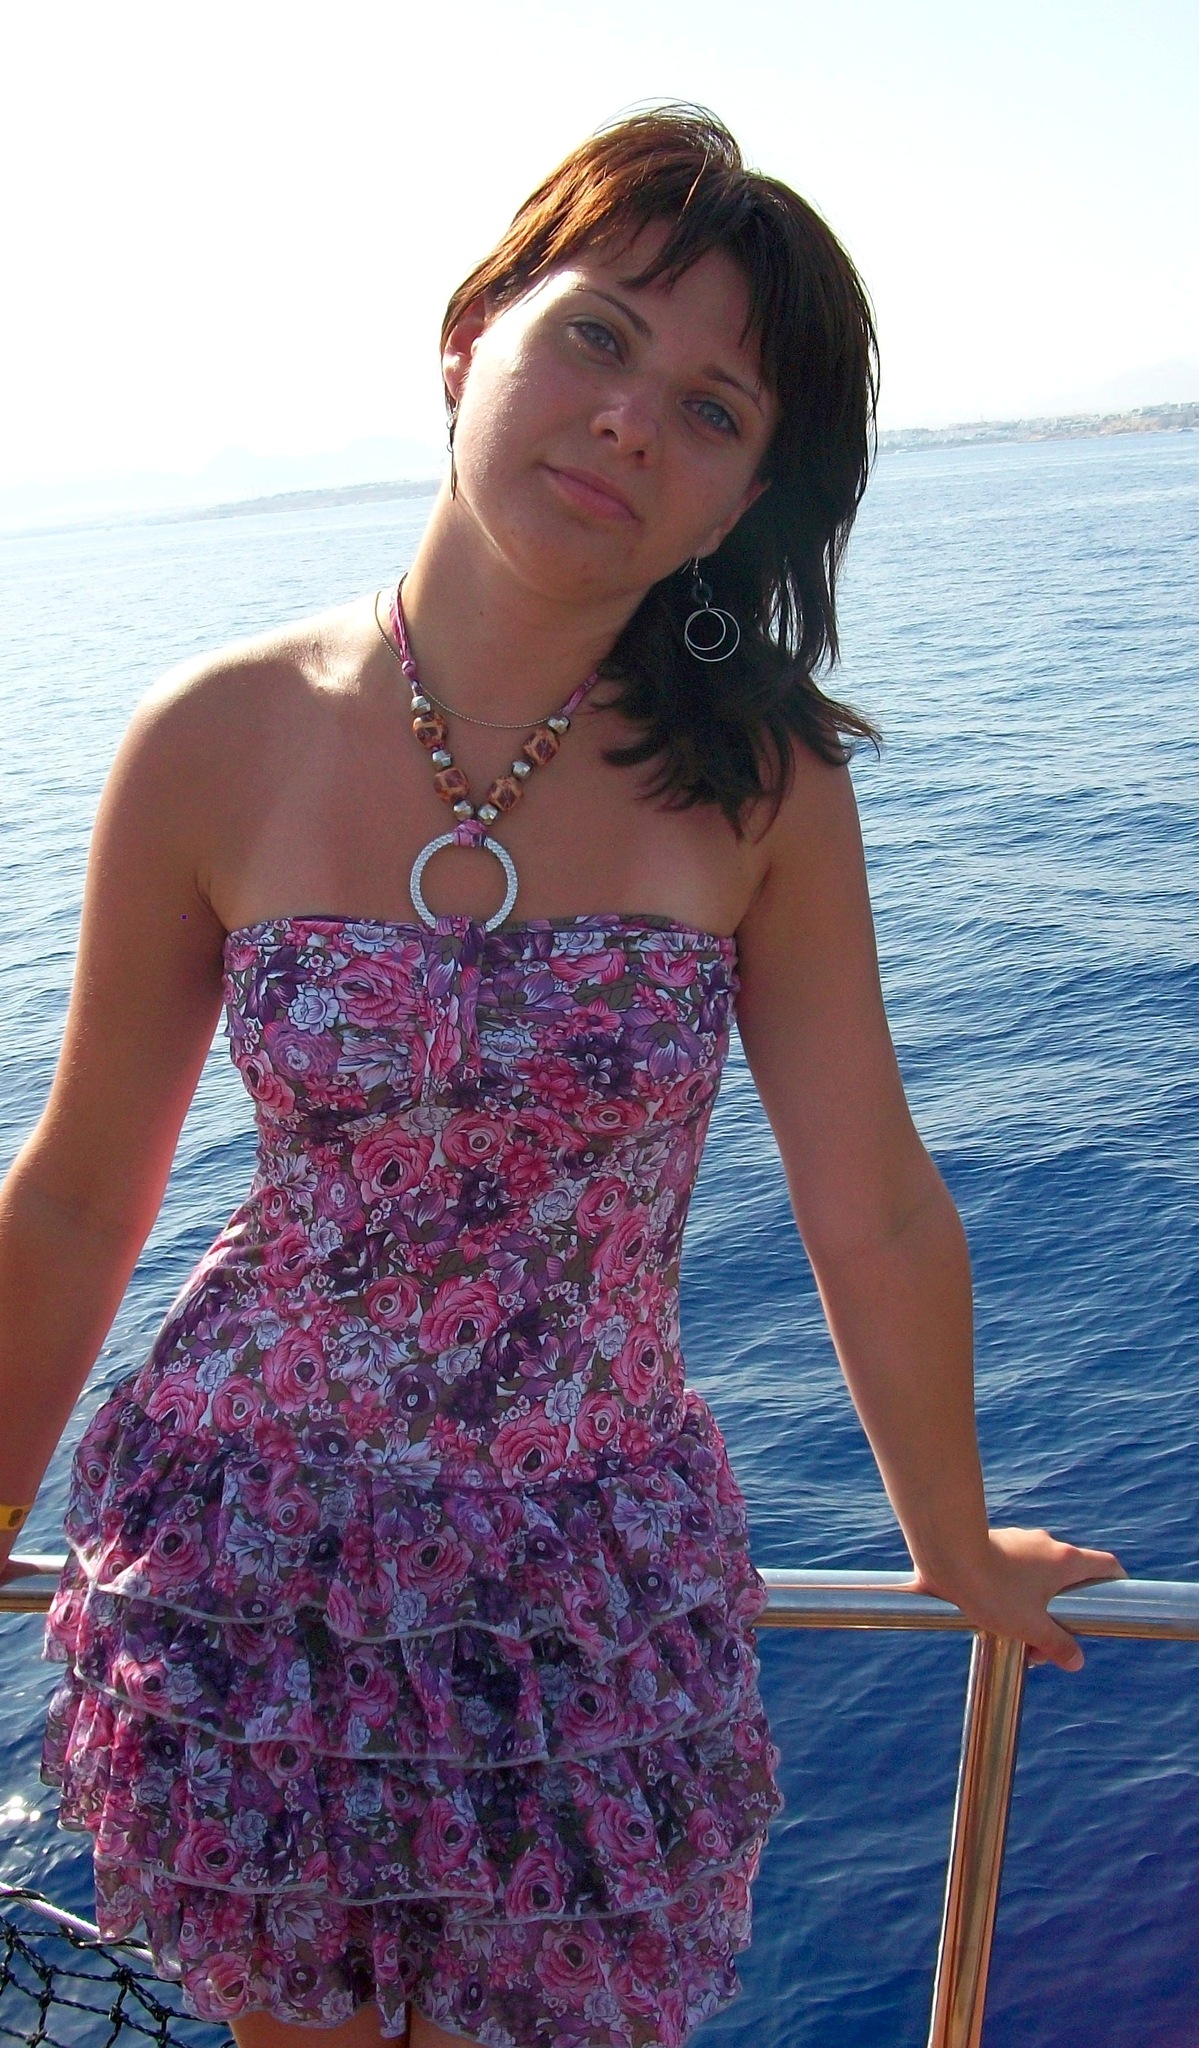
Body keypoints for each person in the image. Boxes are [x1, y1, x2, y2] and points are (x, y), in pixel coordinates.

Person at [0, 104, 1122, 2048]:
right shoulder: (214, 736)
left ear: (739, 501)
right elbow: (86, 1190)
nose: (628, 421)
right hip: (253, 1563)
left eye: (713, 410)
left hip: (584, 1581)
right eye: (599, 334)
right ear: (471, 340)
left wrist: (952, 1540)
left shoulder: (760, 786)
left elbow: (868, 1201)